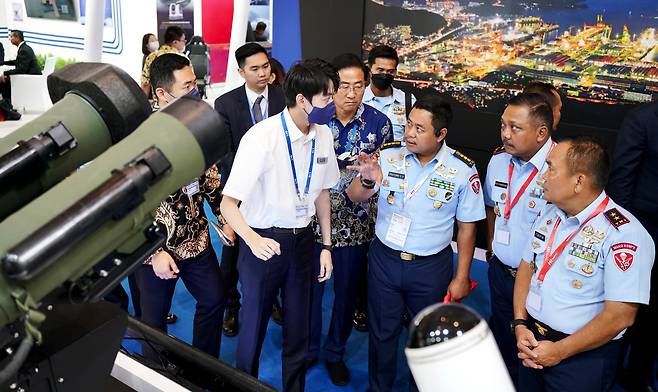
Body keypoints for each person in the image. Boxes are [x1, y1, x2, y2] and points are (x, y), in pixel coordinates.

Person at [347, 95, 485, 392]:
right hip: (385, 259)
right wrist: (369, 181)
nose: (409, 132)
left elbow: (467, 228)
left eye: (420, 129)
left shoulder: (462, 170)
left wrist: (461, 277)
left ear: (441, 134)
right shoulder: (388, 155)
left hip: (430, 267)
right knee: (381, 333)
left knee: (424, 337)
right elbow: (356, 196)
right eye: (409, 123)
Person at [220, 59, 340, 392]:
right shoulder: (261, 138)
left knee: (298, 327)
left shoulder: (324, 136)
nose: (333, 103)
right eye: (326, 97)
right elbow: (227, 204)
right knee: (253, 327)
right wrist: (252, 240)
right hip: (263, 243)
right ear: (302, 100)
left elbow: (322, 195)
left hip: (303, 243)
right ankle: (243, 385)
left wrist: (326, 246)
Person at [512, 136, 654, 392]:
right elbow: (527, 268)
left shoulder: (624, 234)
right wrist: (520, 324)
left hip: (580, 361)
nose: (542, 176)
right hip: (532, 343)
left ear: (579, 181)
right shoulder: (549, 213)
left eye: (551, 168)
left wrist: (558, 352)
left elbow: (619, 317)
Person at [306, 53, 392, 386]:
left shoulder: (379, 123)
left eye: (359, 86)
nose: (351, 93)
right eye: (344, 86)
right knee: (310, 293)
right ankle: (309, 347)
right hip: (313, 225)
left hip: (357, 226)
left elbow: (380, 172)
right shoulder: (315, 119)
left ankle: (334, 353)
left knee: (345, 296)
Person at [134, 53, 227, 358]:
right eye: (187, 86)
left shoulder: (198, 127)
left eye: (195, 84)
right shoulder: (138, 137)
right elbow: (127, 206)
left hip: (197, 240)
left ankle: (203, 368)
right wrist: (153, 252)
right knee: (153, 324)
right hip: (154, 251)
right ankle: (157, 376)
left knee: (214, 300)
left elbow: (210, 180)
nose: (195, 92)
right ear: (162, 93)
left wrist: (225, 217)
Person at [214, 42, 286, 337]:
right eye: (254, 69)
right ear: (241, 71)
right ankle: (232, 307)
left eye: (265, 67)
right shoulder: (225, 103)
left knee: (270, 249)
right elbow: (223, 152)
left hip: (276, 191)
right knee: (232, 256)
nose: (261, 73)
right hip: (238, 192)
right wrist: (254, 169)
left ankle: (270, 301)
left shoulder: (284, 99)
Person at [483, 93, 555, 386]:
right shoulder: (499, 161)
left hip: (540, 284)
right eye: (503, 126)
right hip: (501, 272)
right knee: (503, 339)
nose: (505, 134)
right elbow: (493, 208)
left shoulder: (561, 169)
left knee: (534, 354)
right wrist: (491, 250)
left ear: (541, 133)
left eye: (515, 128)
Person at [607, 102, 658, 391]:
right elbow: (621, 183)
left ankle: (640, 374)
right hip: (642, 235)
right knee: (627, 308)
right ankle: (612, 374)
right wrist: (624, 237)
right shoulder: (643, 119)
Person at [363, 45, 416, 143]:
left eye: (390, 71)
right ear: (370, 69)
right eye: (380, 70)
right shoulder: (358, 99)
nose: (385, 75)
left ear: (395, 72)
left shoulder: (407, 101)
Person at [141, 26, 187, 97]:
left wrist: (143, 106)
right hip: (179, 104)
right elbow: (190, 84)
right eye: (183, 40)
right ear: (175, 42)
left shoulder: (151, 57)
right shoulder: (183, 58)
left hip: (158, 105)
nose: (184, 43)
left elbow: (145, 84)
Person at [0, 30, 41, 105]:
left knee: (4, 82)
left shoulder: (24, 50)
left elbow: (21, 69)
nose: (10, 39)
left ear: (17, 38)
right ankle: (8, 104)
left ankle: (8, 106)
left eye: (11, 36)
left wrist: (4, 73)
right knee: (5, 79)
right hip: (30, 74)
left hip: (30, 77)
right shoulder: (24, 47)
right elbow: (17, 62)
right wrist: (3, 63)